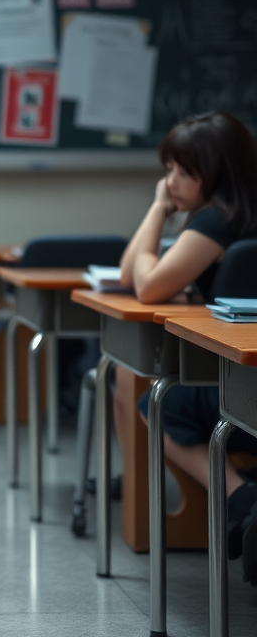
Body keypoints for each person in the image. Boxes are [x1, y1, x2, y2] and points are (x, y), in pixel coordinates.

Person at [120, 111, 257, 583]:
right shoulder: (243, 215)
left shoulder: (217, 222)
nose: (171, 181)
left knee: (157, 403)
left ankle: (241, 496)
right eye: (168, 169)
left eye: (183, 171)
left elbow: (145, 286)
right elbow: (129, 275)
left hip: (244, 394)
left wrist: (157, 211)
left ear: (216, 172)